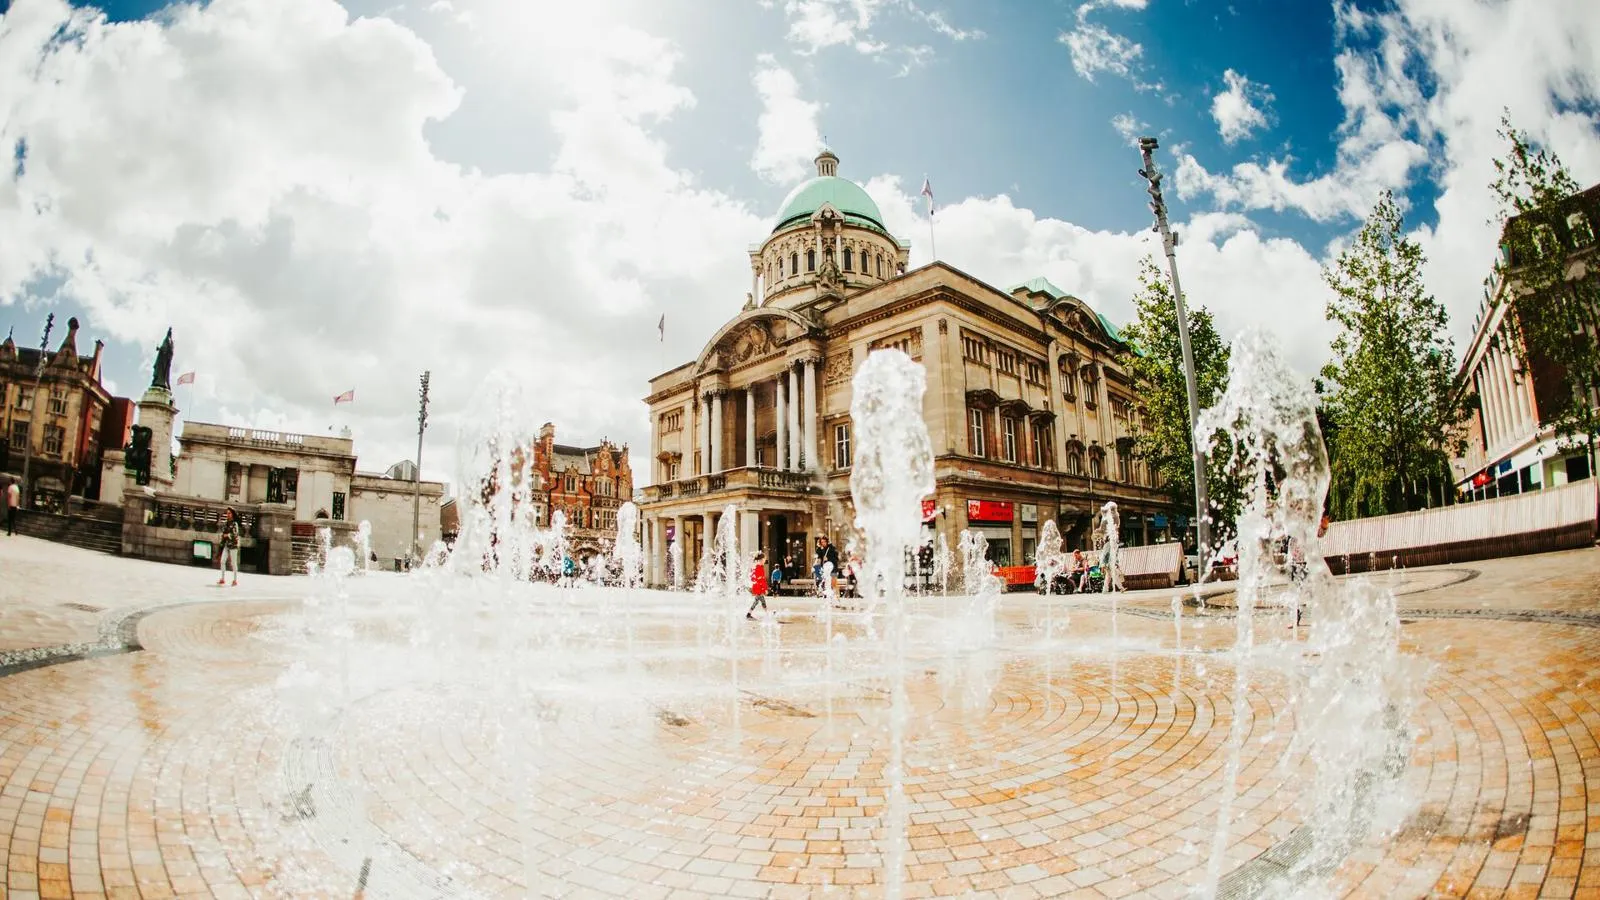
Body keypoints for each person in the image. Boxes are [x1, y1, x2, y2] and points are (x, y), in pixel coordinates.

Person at [217, 508, 240, 586]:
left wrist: (227, 535)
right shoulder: (225, 523)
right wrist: (222, 541)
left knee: (233, 563)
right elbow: (223, 534)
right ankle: (222, 579)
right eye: (227, 513)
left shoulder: (235, 524)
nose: (228, 515)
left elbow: (235, 534)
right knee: (222, 561)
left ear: (232, 514)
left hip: (233, 545)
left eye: (229, 513)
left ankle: (235, 580)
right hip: (226, 545)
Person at [747, 551, 770, 619]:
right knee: (761, 600)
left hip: (757, 587)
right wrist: (765, 589)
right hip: (759, 587)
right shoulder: (759, 567)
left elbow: (753, 577)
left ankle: (749, 613)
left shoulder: (756, 566)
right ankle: (766, 614)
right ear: (761, 559)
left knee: (757, 601)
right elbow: (761, 579)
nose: (765, 560)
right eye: (764, 559)